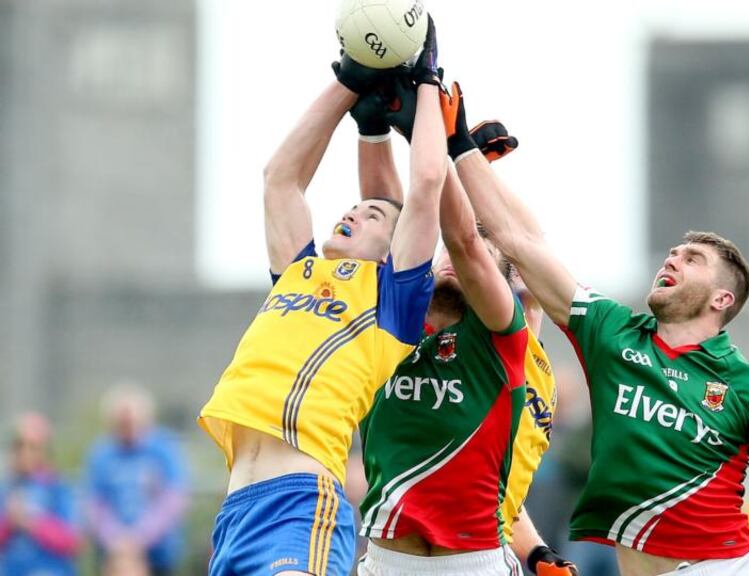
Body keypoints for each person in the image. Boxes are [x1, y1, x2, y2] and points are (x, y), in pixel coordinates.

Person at [445, 83, 749, 575]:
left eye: (692, 259)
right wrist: (459, 148)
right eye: (672, 253)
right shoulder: (611, 332)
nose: (672, 259)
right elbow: (518, 241)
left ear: (722, 299)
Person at [196, 19, 446, 576]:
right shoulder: (298, 271)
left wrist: (428, 81)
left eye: (374, 213)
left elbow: (427, 183)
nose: (354, 210)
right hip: (235, 512)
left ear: (394, 249)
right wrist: (348, 81)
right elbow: (280, 178)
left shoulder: (391, 300)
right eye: (358, 206)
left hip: (301, 505)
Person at [348, 79, 573, 576]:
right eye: (441, 248)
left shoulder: (513, 334)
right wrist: (373, 130)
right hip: (388, 559)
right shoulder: (393, 317)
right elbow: (386, 212)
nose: (449, 253)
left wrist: (457, 155)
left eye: (472, 250)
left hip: (477, 557)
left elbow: (513, 243)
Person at [85, 385, 187, 576]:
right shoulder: (101, 454)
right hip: (113, 557)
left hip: (158, 556)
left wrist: (139, 538)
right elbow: (95, 503)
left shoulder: (163, 450)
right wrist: (116, 539)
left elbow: (172, 500)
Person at [0, 412, 79, 575]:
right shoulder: (6, 488)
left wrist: (33, 524)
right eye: (19, 445)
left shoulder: (57, 488)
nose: (25, 453)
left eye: (33, 447)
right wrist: (10, 522)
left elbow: (71, 541)